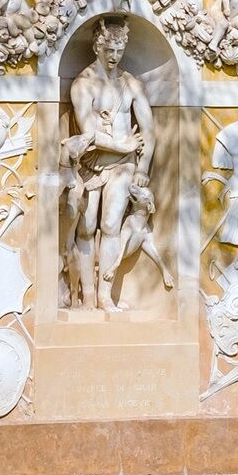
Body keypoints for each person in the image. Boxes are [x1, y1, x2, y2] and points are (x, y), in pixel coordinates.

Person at [64, 16, 156, 310]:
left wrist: (142, 167)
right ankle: (87, 295)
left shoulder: (131, 84)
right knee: (86, 228)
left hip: (123, 166)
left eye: (119, 50)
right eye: (109, 50)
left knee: (111, 224)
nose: (115, 56)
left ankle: (105, 296)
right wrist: (123, 143)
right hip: (91, 164)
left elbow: (150, 130)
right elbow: (88, 129)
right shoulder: (83, 84)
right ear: (97, 47)